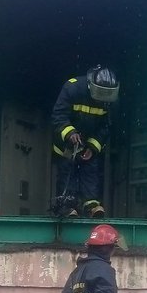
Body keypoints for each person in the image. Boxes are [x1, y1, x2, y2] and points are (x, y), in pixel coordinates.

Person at [50, 66, 119, 219]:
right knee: (67, 173)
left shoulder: (110, 100)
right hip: (66, 143)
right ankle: (68, 207)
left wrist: (93, 147)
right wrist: (70, 133)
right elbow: (58, 115)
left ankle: (92, 207)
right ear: (90, 85)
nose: (102, 97)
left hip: (89, 143)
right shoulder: (72, 88)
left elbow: (106, 126)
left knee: (92, 174)